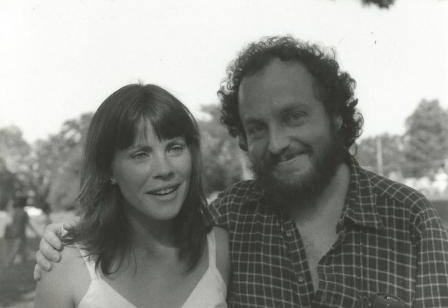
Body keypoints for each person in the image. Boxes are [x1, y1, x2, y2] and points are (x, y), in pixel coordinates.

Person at [35, 36, 448, 307]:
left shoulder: (409, 220)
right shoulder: (231, 219)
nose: (278, 141)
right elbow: (146, 228)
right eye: (257, 128)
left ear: (336, 117)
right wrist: (62, 238)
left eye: (294, 116)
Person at [33, 83, 229, 308]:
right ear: (108, 170)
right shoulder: (64, 264)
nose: (164, 169)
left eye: (174, 148)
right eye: (140, 154)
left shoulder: (220, 248)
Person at [3, 195, 40, 267]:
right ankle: (8, 264)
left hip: (15, 233)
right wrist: (36, 232)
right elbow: (28, 224)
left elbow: (12, 223)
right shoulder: (24, 213)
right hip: (20, 234)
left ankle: (23, 260)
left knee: (22, 249)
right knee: (16, 250)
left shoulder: (16, 211)